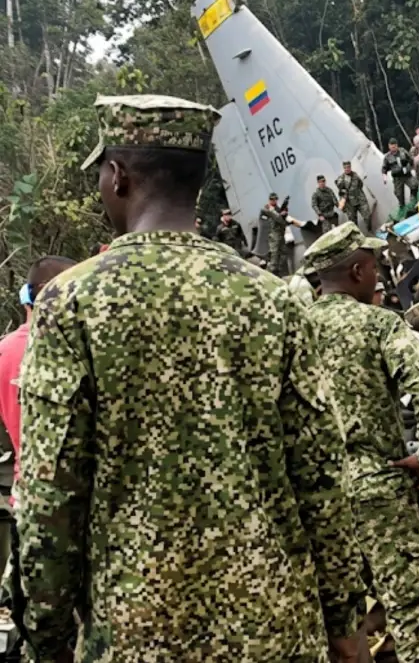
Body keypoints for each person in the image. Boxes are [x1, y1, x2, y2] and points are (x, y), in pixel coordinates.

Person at [18, 94, 366, 662]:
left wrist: (47, 637)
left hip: (135, 637)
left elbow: (51, 495)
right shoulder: (274, 300)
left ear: (117, 175)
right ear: (200, 185)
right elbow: (321, 477)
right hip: (274, 631)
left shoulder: (71, 304)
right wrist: (345, 624)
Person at [304, 222, 419, 663]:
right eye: (375, 266)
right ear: (357, 272)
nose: (380, 275)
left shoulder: (293, 328)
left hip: (316, 495)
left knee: (337, 618)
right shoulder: (378, 326)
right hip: (375, 487)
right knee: (410, 605)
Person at [0, 255, 76, 647]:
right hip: (86, 513)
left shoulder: (4, 351)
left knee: (34, 626)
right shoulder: (82, 347)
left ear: (27, 297)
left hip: (28, 504)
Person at [260, 192, 304, 277]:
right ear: (269, 200)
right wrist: (282, 214)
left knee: (283, 256)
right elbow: (278, 218)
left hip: (281, 234)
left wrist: (285, 213)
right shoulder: (267, 209)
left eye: (275, 199)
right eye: (272, 199)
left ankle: (284, 274)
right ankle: (271, 276)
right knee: (274, 258)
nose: (274, 201)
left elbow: (283, 221)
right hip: (274, 236)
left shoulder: (277, 208)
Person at [336, 160, 371, 232]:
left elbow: (360, 184)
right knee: (353, 222)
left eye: (348, 167)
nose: (347, 169)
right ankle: (358, 236)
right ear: (343, 168)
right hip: (350, 203)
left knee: (367, 216)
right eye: (345, 167)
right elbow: (340, 189)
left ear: (350, 167)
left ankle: (369, 231)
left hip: (360, 200)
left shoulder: (355, 175)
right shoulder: (341, 178)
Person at [382, 138, 416, 209]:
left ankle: (413, 200)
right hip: (397, 178)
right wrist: (384, 178)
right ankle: (402, 205)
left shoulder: (402, 151)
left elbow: (411, 160)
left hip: (406, 174)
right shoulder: (387, 157)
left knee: (414, 185)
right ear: (389, 146)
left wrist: (408, 167)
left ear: (397, 145)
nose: (393, 148)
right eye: (392, 146)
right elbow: (384, 168)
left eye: (395, 146)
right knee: (398, 193)